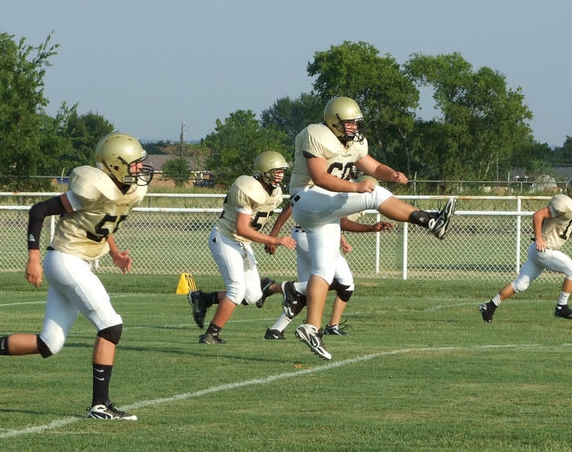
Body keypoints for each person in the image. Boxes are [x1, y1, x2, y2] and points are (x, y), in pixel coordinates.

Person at [0, 132, 153, 420]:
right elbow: (39, 211)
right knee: (111, 326)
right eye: (135, 164)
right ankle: (100, 405)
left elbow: (101, 223)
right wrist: (33, 258)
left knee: (49, 343)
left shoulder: (128, 191)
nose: (140, 169)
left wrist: (113, 252)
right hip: (66, 260)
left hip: (74, 262)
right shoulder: (92, 187)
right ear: (116, 165)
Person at [280, 96, 456, 360]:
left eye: (355, 122)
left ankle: (311, 327)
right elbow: (320, 177)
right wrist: (356, 187)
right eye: (349, 122)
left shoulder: (354, 142)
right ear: (333, 122)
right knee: (373, 192)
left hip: (324, 209)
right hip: (307, 198)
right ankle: (430, 220)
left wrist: (393, 174)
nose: (353, 127)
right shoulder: (316, 135)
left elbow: (372, 166)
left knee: (324, 269)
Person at [261, 179, 393, 340]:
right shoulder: (336, 185)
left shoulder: (343, 187)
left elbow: (340, 223)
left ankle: (275, 330)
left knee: (307, 294)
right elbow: (293, 203)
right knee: (345, 282)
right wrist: (273, 235)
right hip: (312, 236)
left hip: (308, 235)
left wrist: (362, 232)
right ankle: (277, 287)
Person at [186, 152, 298, 343]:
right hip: (226, 239)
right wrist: (274, 240)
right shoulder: (248, 188)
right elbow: (241, 227)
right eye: (276, 172)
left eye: (281, 172)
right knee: (236, 290)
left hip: (242, 243)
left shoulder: (275, 192)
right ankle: (211, 335)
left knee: (253, 295)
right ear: (264, 172)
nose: (280, 176)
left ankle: (203, 299)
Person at [478, 175, 572, 322]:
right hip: (544, 249)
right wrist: (539, 238)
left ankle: (489, 306)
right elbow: (538, 215)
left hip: (541, 250)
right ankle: (561, 307)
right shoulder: (564, 203)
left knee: (520, 284)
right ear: (571, 190)